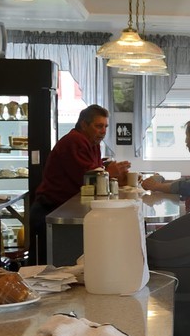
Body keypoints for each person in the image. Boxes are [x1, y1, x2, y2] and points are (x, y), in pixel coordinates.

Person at [29, 105, 126, 249]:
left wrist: (116, 176)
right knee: (51, 267)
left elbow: (96, 172)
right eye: (99, 126)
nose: (103, 131)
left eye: (106, 126)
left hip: (65, 210)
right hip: (51, 212)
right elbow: (87, 179)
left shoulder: (93, 144)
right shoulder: (74, 141)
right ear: (84, 125)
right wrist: (109, 172)